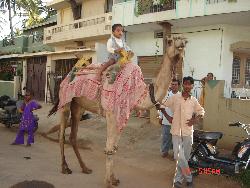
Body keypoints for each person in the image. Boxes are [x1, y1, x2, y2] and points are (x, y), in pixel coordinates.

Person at [160, 76, 205, 188]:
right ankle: (189, 178)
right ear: (182, 85)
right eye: (185, 84)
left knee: (185, 157)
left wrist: (195, 119)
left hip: (188, 133)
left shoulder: (194, 100)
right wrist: (167, 117)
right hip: (176, 131)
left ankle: (178, 180)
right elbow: (161, 105)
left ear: (192, 86)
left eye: (189, 84)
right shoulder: (175, 97)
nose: (187, 86)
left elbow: (201, 112)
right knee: (178, 156)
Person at [159, 79, 180, 158]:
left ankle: (176, 153)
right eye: (172, 84)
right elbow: (162, 106)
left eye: (175, 84)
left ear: (178, 86)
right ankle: (165, 151)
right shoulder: (166, 95)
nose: (173, 86)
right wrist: (160, 117)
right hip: (166, 121)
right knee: (166, 137)